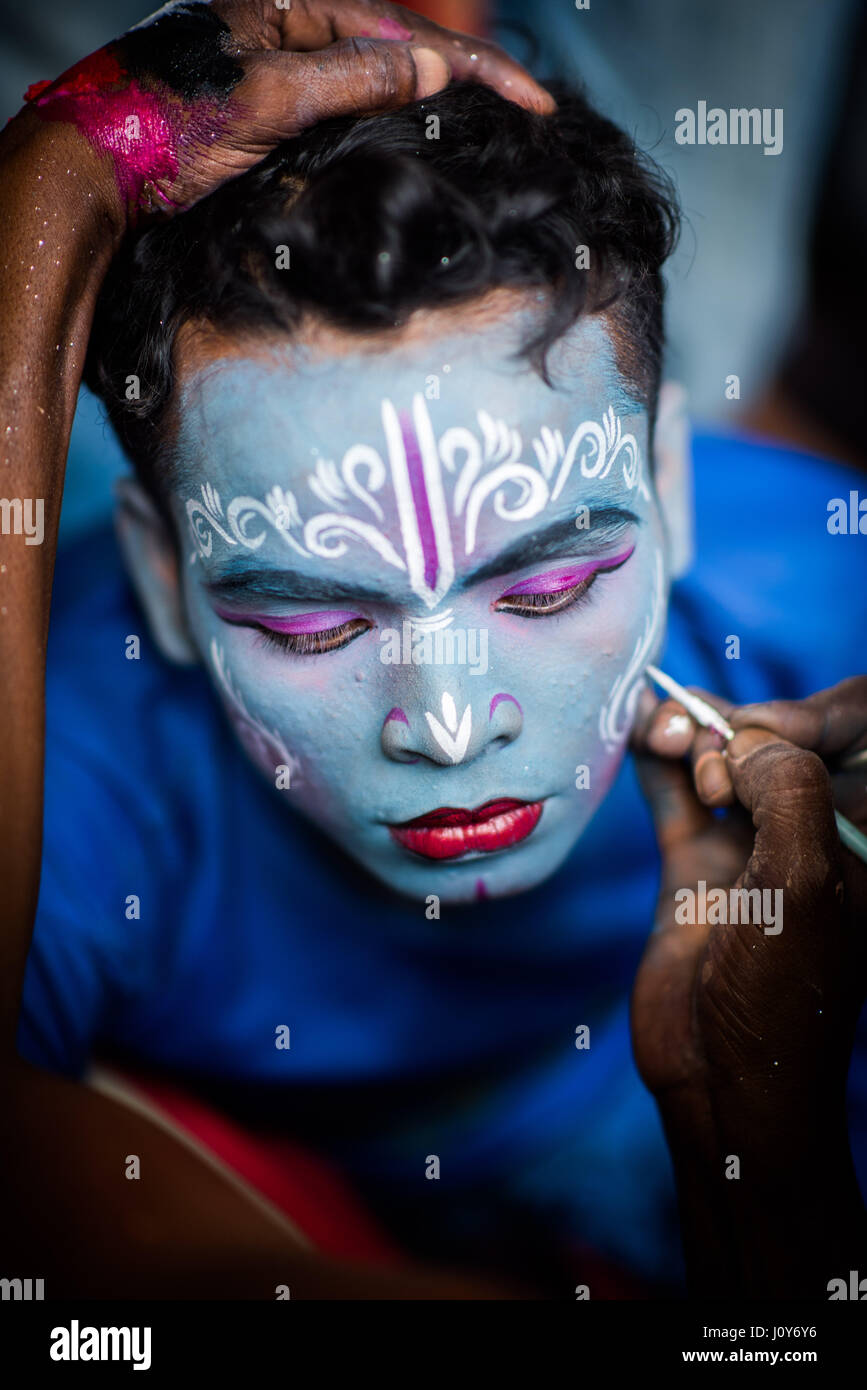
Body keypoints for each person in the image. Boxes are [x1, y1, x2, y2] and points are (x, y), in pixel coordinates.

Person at [1, 1, 865, 1299]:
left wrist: (770, 1158)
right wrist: (55, 189)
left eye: (548, 585)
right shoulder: (78, 759)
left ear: (670, 489)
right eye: (318, 620)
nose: (450, 726)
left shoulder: (832, 615)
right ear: (164, 576)